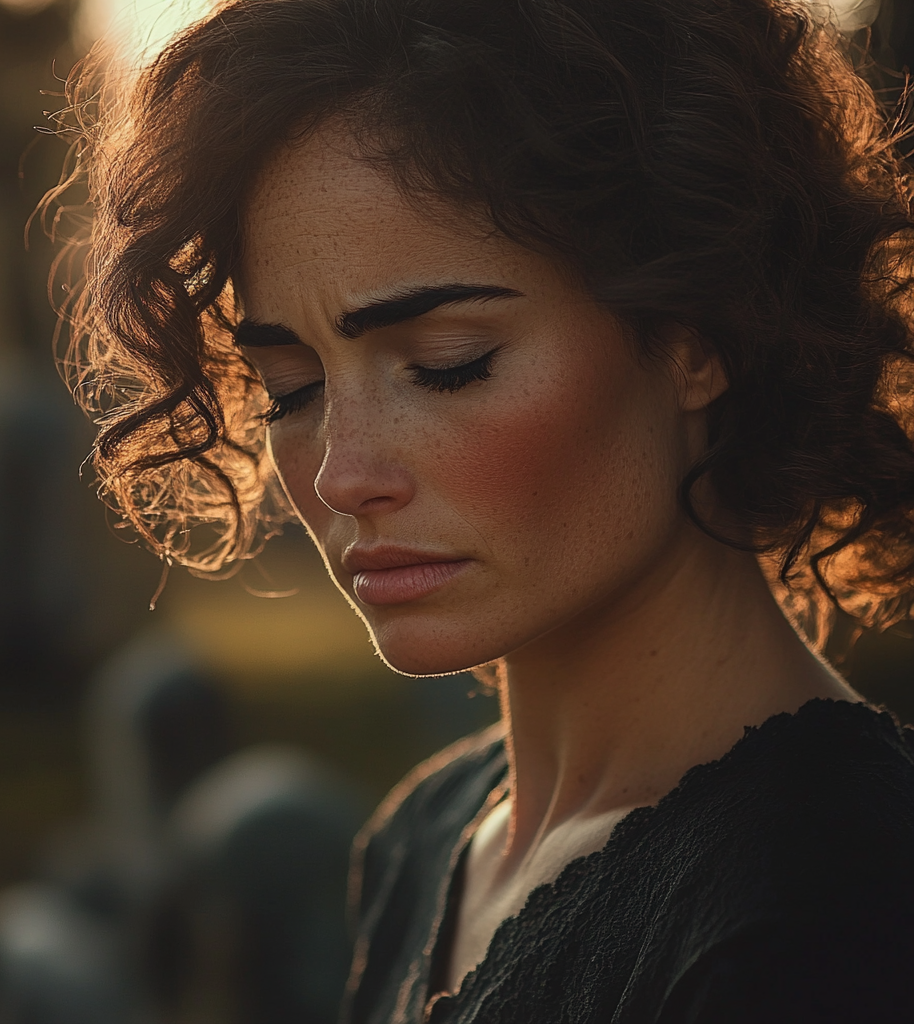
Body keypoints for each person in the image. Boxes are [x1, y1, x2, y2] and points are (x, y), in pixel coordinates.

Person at [52, 0, 914, 1019]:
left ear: (697, 335)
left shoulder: (829, 901)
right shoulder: (426, 838)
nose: (340, 473)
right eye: (291, 385)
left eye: (446, 365)